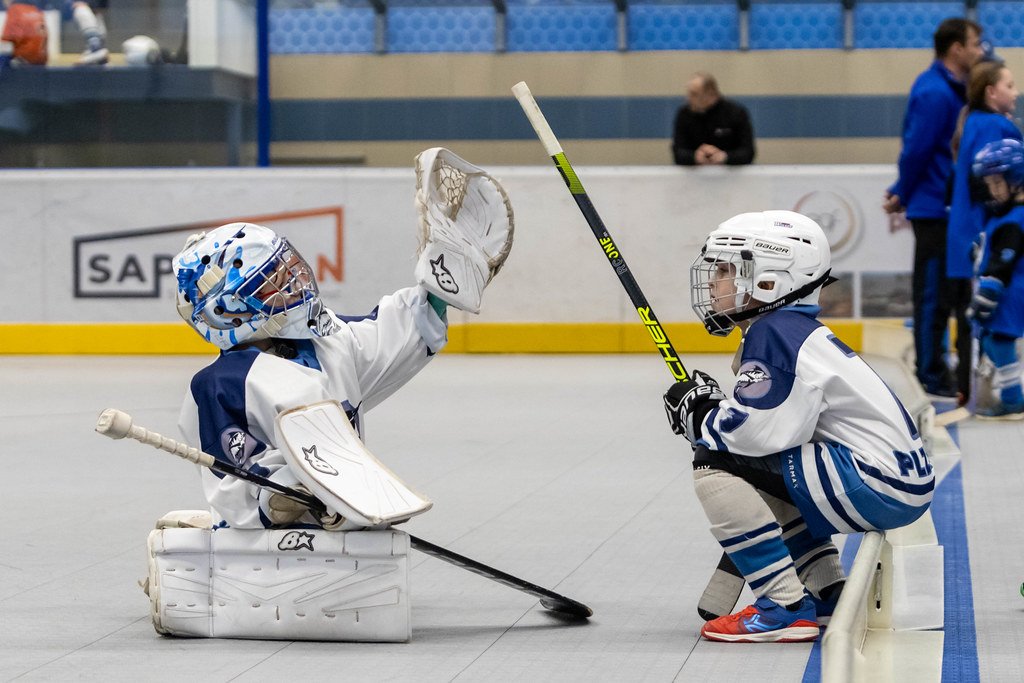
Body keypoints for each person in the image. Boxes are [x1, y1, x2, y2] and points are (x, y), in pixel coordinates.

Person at [171, 148, 513, 529]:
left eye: (287, 270)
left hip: (343, 535)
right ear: (230, 313)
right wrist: (288, 496)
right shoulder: (220, 386)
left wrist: (445, 277)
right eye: (273, 283)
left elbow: (402, 332)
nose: (294, 283)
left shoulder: (330, 342)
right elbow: (236, 489)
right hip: (265, 556)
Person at [663, 210, 934, 643]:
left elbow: (755, 435)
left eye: (730, 269)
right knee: (766, 470)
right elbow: (779, 432)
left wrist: (702, 419)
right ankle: (826, 590)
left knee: (714, 462)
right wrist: (715, 414)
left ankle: (783, 605)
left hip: (877, 483)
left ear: (771, 280)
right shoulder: (792, 329)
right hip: (895, 481)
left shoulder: (775, 333)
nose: (715, 280)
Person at [884, 17, 985, 399]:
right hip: (933, 209)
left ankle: (943, 369)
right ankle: (929, 372)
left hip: (952, 208)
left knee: (953, 295)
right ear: (956, 48)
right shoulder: (934, 92)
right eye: (974, 44)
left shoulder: (957, 90)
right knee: (932, 296)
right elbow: (917, 151)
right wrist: (903, 192)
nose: (979, 51)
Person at [946, 61, 1021, 404]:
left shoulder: (972, 122)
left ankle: (974, 390)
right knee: (988, 323)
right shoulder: (995, 125)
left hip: (970, 234)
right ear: (991, 92)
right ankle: (990, 393)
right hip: (985, 235)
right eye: (1009, 84)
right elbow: (990, 184)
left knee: (973, 321)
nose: (1016, 91)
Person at [966, 139, 1024, 419]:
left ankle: (1014, 400)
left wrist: (988, 290)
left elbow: (1004, 259)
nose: (992, 190)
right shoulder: (1006, 216)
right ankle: (1010, 395)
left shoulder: (1015, 218)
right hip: (1007, 292)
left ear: (1016, 181)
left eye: (997, 183)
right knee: (994, 343)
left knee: (1000, 343)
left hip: (1010, 293)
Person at [671, 72, 755, 166]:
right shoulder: (684, 114)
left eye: (694, 94)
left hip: (730, 175)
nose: (688, 98)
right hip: (694, 176)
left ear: (710, 94)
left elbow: (748, 152)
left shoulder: (735, 113)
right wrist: (694, 156)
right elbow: (678, 152)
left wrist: (725, 156)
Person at [2, 0, 107, 65]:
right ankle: (96, 44)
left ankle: (95, 45)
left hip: (26, 61)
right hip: (38, 60)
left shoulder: (17, 9)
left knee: (78, 5)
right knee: (80, 6)